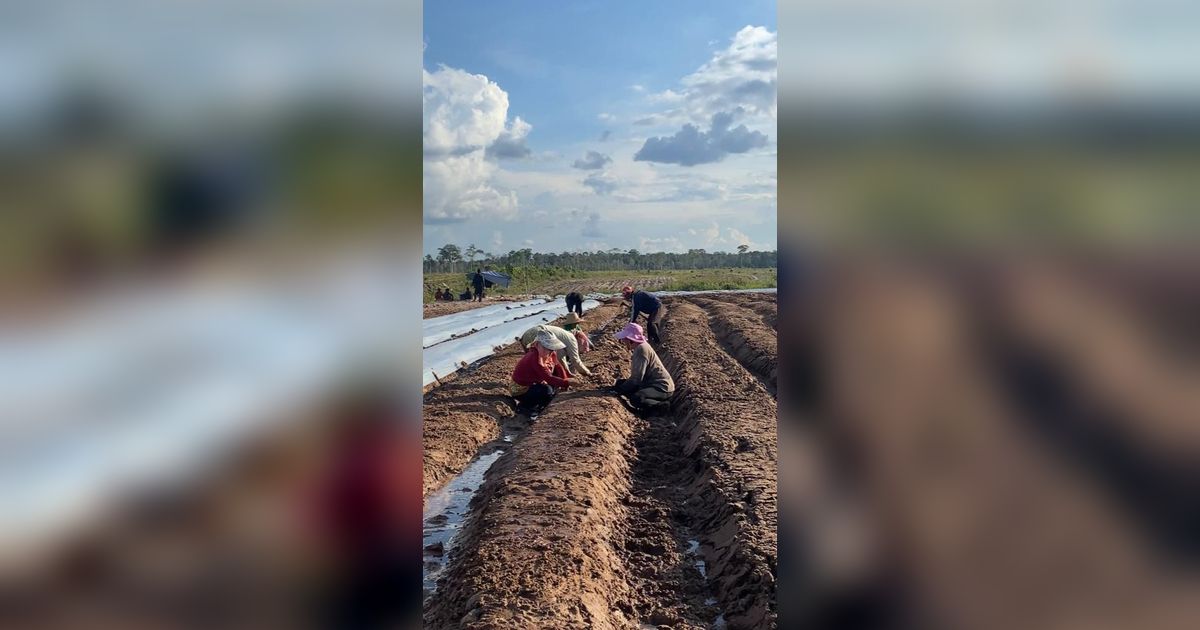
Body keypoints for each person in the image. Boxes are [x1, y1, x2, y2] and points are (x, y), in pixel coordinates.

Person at [611, 322, 674, 412]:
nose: (623, 341)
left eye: (625, 339)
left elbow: (637, 379)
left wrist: (619, 390)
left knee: (637, 398)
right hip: (650, 384)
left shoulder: (641, 349)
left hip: (662, 388)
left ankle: (661, 406)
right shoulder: (640, 347)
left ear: (631, 339)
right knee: (620, 384)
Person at [510, 329, 571, 416]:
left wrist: (565, 379)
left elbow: (557, 366)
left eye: (551, 348)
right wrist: (567, 383)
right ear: (537, 345)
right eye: (546, 348)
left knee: (553, 380)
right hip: (521, 389)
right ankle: (525, 407)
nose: (549, 351)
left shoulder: (551, 353)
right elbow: (548, 377)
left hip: (535, 382)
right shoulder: (534, 357)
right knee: (547, 391)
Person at [518, 323, 593, 378]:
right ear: (579, 338)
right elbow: (575, 360)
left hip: (527, 334)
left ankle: (533, 380)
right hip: (539, 333)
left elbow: (560, 358)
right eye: (582, 342)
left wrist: (567, 373)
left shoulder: (563, 336)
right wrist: (588, 373)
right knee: (540, 362)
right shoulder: (572, 339)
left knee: (533, 361)